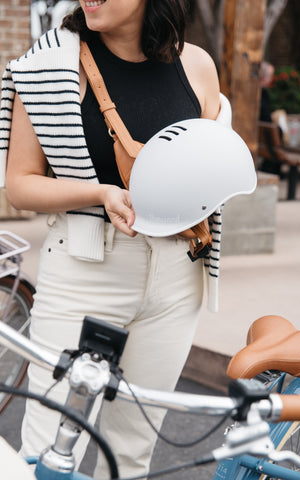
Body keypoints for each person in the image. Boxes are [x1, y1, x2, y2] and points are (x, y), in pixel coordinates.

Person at [1, 1, 223, 478]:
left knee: (131, 452)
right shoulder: (49, 67)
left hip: (176, 278)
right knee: (48, 447)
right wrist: (101, 193)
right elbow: (19, 183)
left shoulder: (197, 66)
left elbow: (209, 161)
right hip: (85, 269)